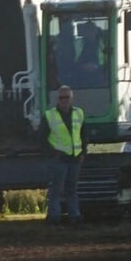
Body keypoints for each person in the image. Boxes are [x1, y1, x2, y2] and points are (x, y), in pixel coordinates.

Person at [44, 85, 86, 223]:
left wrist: (83, 153)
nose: (64, 100)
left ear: (71, 98)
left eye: (66, 97)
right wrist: (53, 153)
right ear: (58, 99)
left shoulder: (79, 113)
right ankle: (54, 217)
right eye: (61, 97)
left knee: (72, 190)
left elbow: (83, 134)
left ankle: (75, 216)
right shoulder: (49, 115)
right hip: (59, 159)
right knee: (56, 190)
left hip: (74, 158)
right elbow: (41, 138)